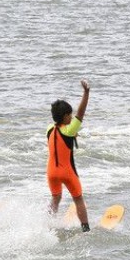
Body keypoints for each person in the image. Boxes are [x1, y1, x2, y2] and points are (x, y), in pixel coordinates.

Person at [47, 79, 91, 232]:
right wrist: (86, 93)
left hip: (51, 173)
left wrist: (72, 134)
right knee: (78, 199)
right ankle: (86, 229)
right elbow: (81, 113)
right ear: (65, 116)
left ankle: (48, 225)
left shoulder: (49, 129)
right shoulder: (70, 130)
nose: (72, 117)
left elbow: (62, 134)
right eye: (69, 115)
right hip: (67, 172)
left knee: (56, 198)